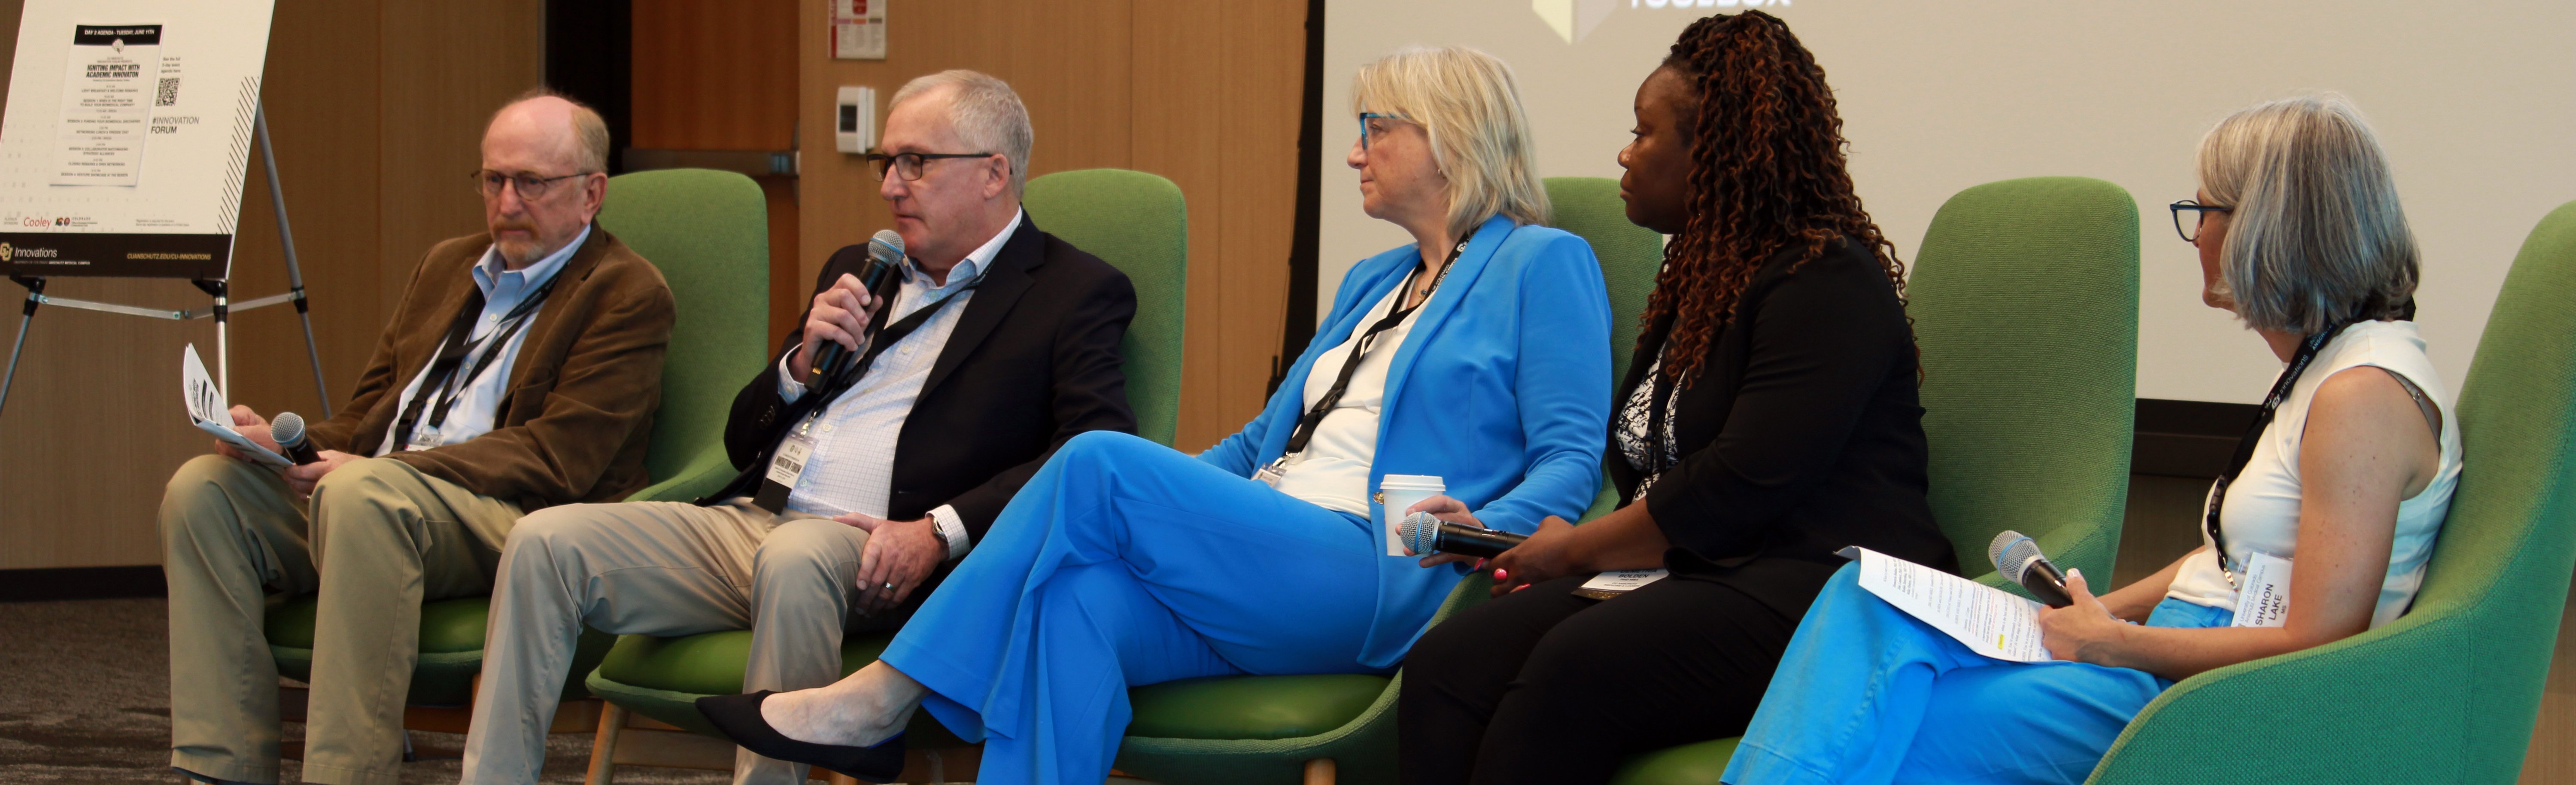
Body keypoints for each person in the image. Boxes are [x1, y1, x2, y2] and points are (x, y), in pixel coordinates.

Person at [692, 45, 1612, 784]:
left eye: (1373, 129)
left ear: (1448, 138)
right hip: (1270, 544)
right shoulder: (1374, 280)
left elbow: (1571, 456)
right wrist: (1157, 504)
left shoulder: (1542, 261)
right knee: (1074, 600)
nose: (1353, 151)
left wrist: (1491, 536)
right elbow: (1259, 445)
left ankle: (884, 696)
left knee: (1099, 459)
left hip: (1384, 563)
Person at [1721, 92, 2457, 785]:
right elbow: (2231, 563)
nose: (2196, 232)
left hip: (2201, 693)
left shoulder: (2362, 396)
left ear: (2269, 226)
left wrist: (2117, 643)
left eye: (2205, 210)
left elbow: (2316, 642)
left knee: (1892, 725)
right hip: (2167, 648)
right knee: (1865, 596)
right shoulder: (2328, 366)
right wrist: (2089, 615)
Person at [457, 70, 1139, 785]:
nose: (889, 186)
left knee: (799, 556)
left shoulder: (1072, 291)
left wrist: (939, 530)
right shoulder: (861, 268)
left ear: (994, 173)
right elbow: (738, 444)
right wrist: (796, 365)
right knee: (545, 541)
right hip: (752, 521)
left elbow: (1092, 450)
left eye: (916, 162)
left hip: (877, 547)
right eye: (886, 163)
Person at [1393, 12, 1958, 785]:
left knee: (1573, 669)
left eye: (1644, 133)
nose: (1625, 154)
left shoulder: (1825, 279)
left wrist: (1578, 547)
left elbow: (1737, 485)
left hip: (1826, 589)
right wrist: (1525, 540)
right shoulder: (1701, 282)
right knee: (1450, 663)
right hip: (1702, 572)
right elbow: (1657, 477)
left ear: (1715, 151)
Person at [157, 91, 674, 785]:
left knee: (366, 495)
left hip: (509, 516)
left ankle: (346, 775)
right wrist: (287, 447)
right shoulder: (446, 266)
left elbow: (560, 457)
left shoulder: (626, 292)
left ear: (592, 193)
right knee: (204, 492)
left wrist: (385, 470)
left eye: (532, 183)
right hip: (374, 493)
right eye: (493, 180)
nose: (508, 202)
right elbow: (368, 413)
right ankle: (221, 769)